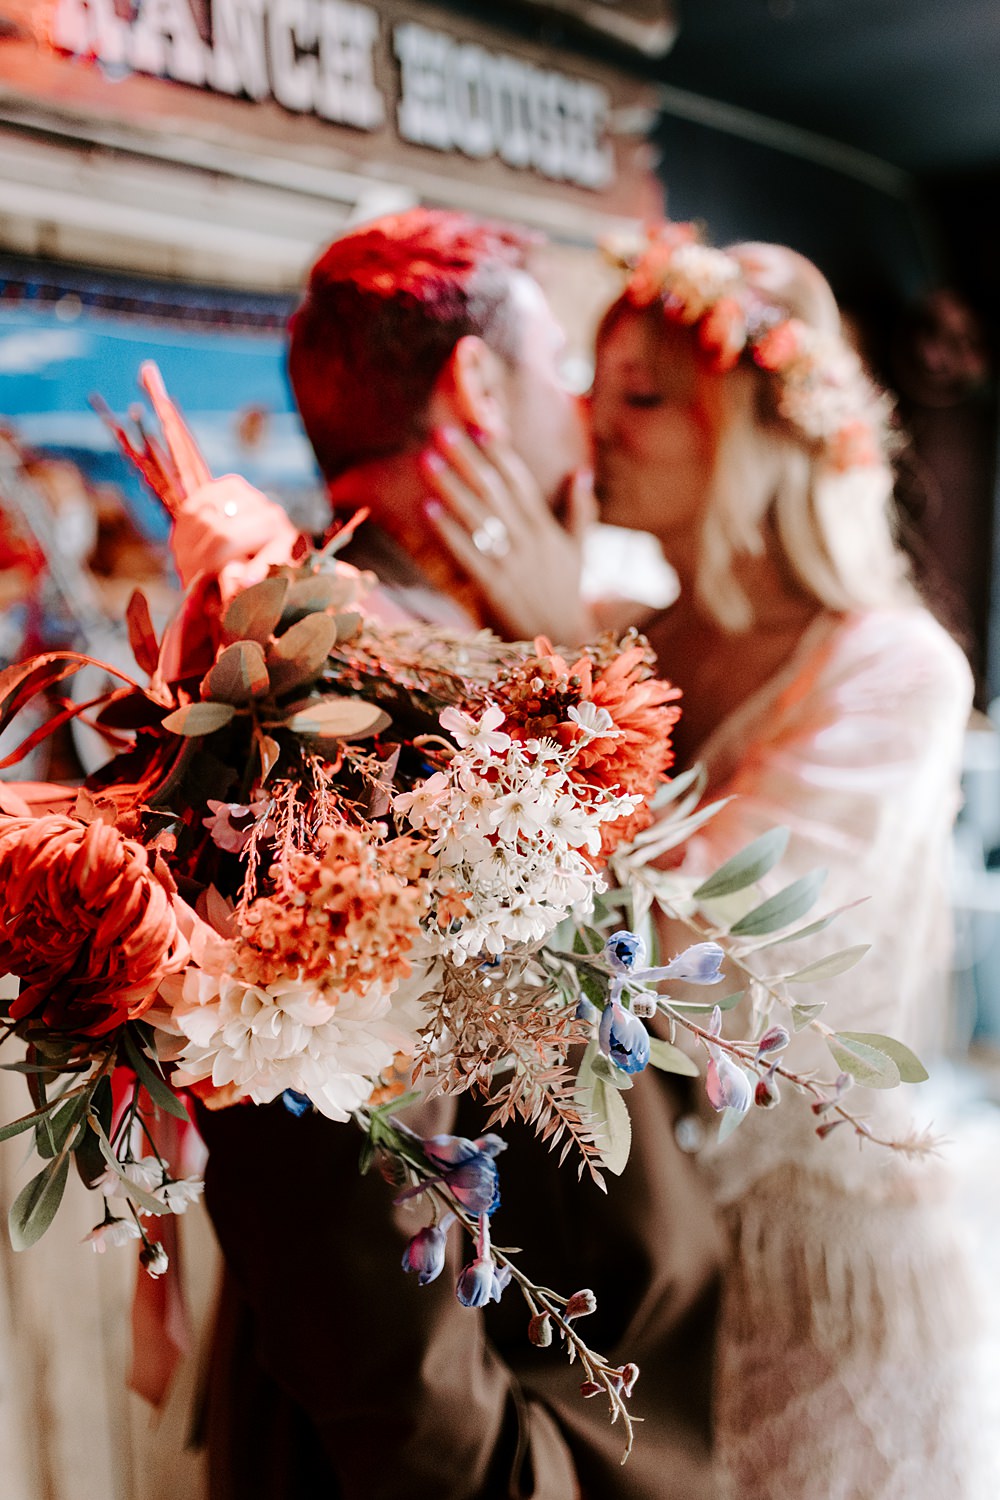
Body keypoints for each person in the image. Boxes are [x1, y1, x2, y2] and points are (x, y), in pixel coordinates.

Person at [424, 225, 996, 1498]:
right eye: (591, 388)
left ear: (759, 437)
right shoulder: (629, 636)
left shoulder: (893, 667)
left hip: (822, 1279)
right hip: (630, 1264)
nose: (598, 428)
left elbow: (703, 955)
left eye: (644, 397)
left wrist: (561, 653)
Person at [189, 209, 722, 1500]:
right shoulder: (340, 710)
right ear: (478, 384)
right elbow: (333, 1209)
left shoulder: (421, 661)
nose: (587, 409)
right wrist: (507, 1476)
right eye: (559, 368)